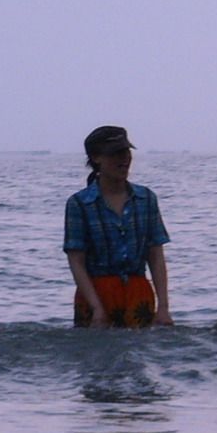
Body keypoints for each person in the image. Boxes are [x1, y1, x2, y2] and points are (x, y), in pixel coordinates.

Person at [63, 125, 174, 328]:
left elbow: (156, 255)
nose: (124, 159)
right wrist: (97, 308)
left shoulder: (146, 199)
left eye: (126, 152)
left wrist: (164, 307)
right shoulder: (79, 204)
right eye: (115, 154)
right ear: (97, 158)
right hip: (95, 293)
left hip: (138, 292)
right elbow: (76, 261)